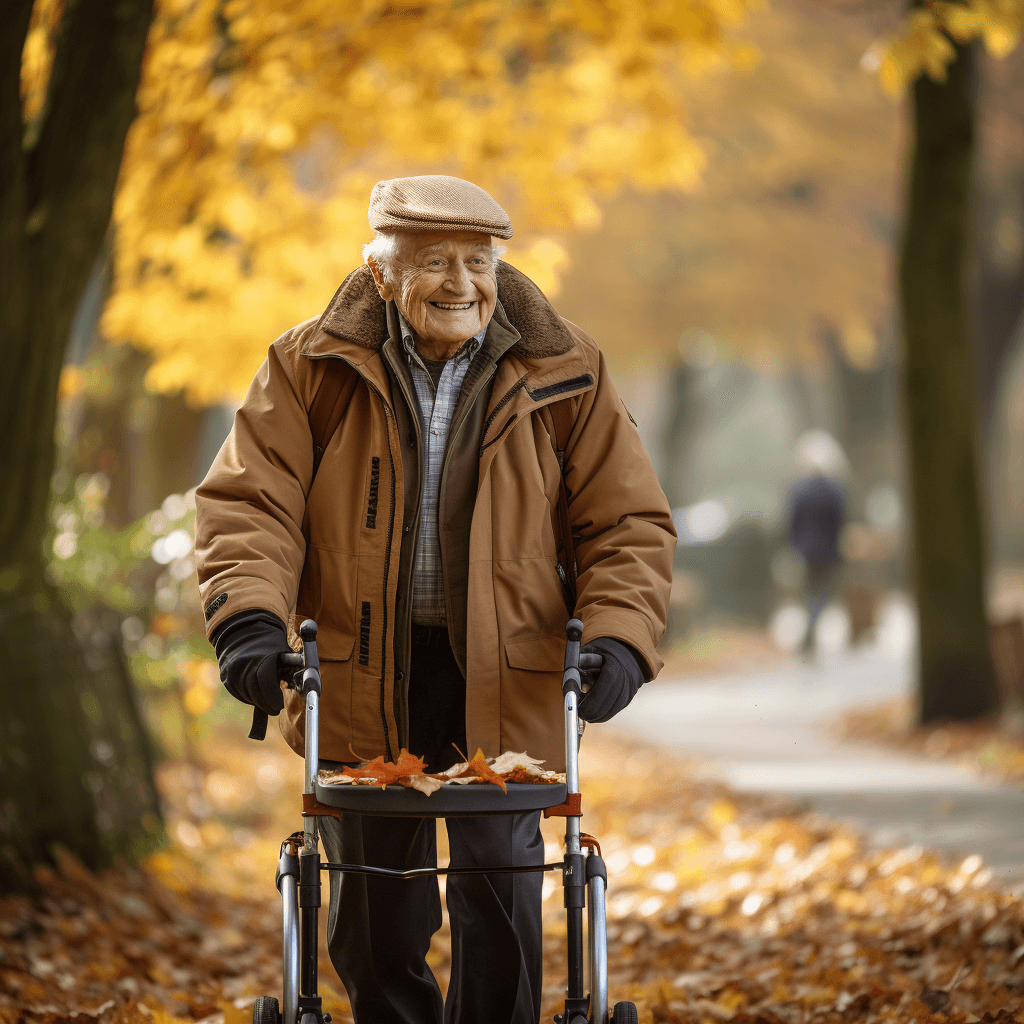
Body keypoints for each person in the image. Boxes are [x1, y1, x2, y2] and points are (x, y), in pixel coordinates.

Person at [194, 175, 676, 1024]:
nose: (462, 283)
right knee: (375, 905)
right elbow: (250, 502)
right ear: (381, 274)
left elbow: (626, 521)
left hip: (510, 668)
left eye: (478, 261)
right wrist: (249, 619)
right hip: (357, 667)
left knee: (503, 884)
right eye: (435, 262)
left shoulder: (566, 370)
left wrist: (622, 640)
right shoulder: (310, 365)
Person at [787, 429, 848, 655]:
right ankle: (810, 630)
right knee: (822, 593)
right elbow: (839, 523)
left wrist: (793, 548)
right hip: (828, 550)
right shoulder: (835, 491)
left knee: (809, 593)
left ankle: (809, 630)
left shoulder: (799, 492)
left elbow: (792, 524)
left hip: (805, 551)